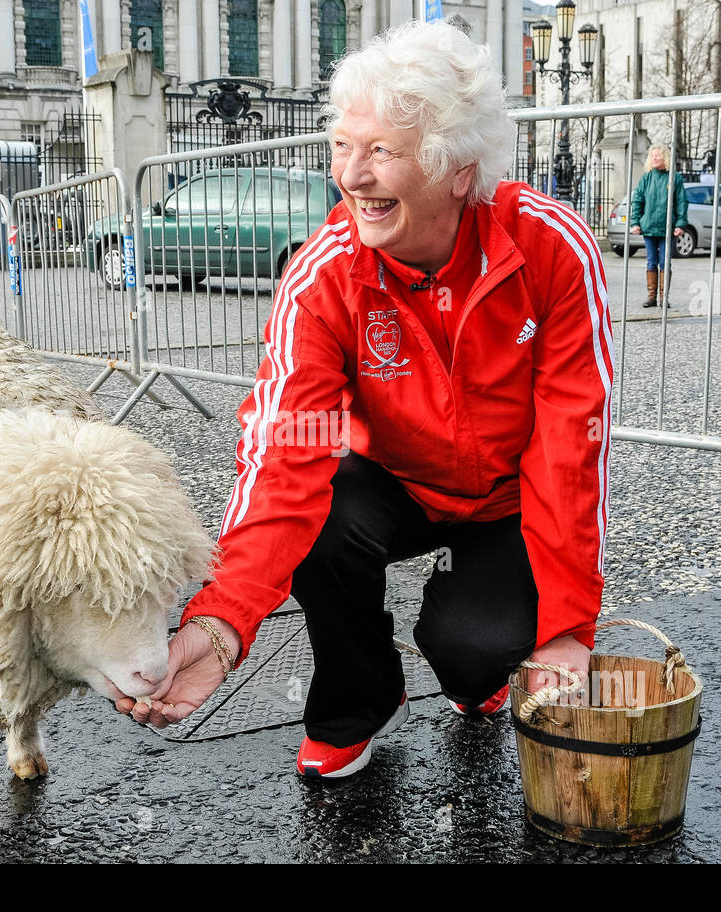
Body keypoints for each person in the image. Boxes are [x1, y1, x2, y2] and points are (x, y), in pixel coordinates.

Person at [116, 20, 614, 781]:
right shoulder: (324, 277)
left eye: (380, 151)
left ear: (456, 171)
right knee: (323, 506)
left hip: (507, 497)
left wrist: (566, 629)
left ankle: (472, 656)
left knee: (476, 658)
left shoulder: (551, 247)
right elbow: (285, 454)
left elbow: (567, 444)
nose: (351, 174)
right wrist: (221, 624)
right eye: (343, 146)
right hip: (396, 485)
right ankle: (357, 703)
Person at [630, 144, 689, 308]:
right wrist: (635, 222)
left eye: (658, 155)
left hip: (667, 228)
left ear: (666, 157)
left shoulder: (674, 178)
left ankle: (664, 297)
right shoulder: (646, 177)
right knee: (651, 262)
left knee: (665, 262)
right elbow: (638, 201)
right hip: (649, 227)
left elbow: (681, 202)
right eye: (652, 156)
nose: (654, 158)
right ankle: (651, 296)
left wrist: (680, 223)